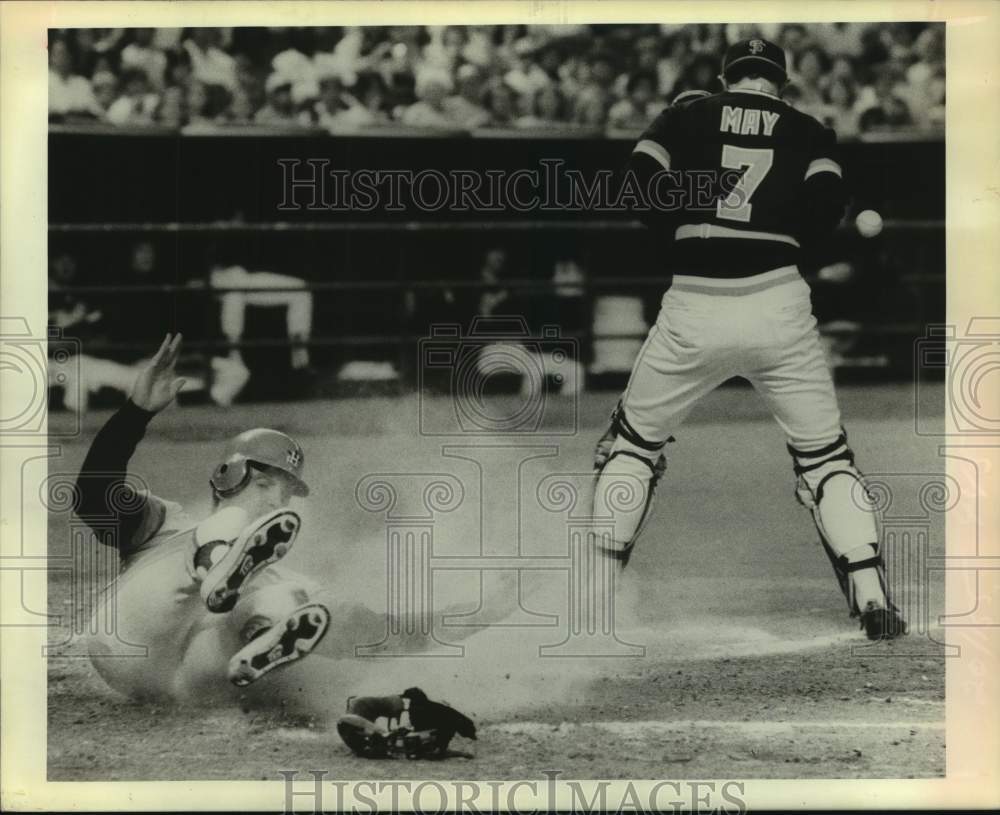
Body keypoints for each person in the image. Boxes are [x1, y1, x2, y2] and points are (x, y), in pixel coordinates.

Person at [590, 37, 907, 641]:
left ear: (726, 76)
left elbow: (638, 184)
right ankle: (871, 595)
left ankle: (595, 591)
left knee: (633, 446)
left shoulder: (686, 113)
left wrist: (683, 220)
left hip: (694, 302)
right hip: (778, 301)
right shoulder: (808, 127)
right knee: (825, 458)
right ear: (779, 85)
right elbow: (827, 209)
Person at [78, 334, 330, 700]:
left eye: (287, 493)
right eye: (263, 483)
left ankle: (260, 643)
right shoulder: (166, 523)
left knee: (290, 597)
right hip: (125, 636)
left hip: (182, 680)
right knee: (233, 525)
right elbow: (91, 496)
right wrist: (136, 412)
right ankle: (213, 565)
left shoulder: (273, 572)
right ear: (229, 475)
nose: (278, 501)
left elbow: (336, 620)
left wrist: (424, 626)